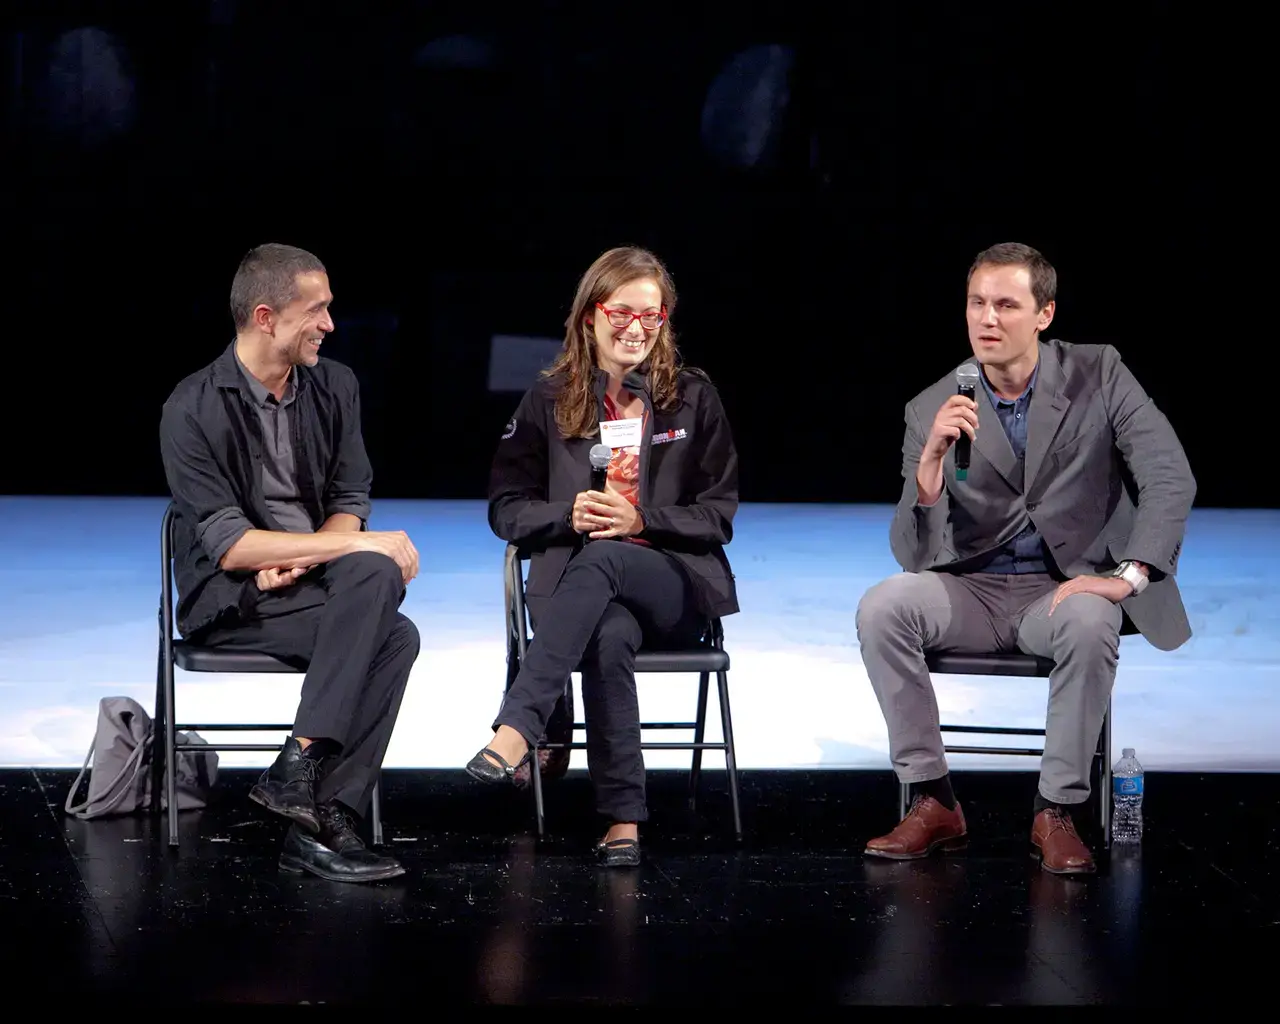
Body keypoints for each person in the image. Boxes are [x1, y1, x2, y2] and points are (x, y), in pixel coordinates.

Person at [855, 242, 1195, 875]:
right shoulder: (932, 406)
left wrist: (1131, 574)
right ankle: (933, 800)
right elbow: (912, 553)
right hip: (973, 591)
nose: (987, 319)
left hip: (1061, 589)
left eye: (1006, 305)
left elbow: (1170, 476)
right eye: (976, 303)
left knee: (1093, 618)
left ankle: (1055, 810)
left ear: (1044, 314)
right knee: (883, 608)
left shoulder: (1099, 373)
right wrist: (929, 468)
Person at [159, 243, 422, 883]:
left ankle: (299, 772)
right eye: (317, 311)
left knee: (375, 574)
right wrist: (341, 547)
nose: (330, 325)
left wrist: (314, 554)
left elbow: (348, 500)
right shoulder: (190, 409)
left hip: (310, 586)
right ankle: (326, 820)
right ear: (266, 316)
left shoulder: (336, 385)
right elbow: (231, 545)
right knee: (393, 632)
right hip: (232, 600)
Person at [469, 245, 740, 867]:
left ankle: (519, 726)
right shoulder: (548, 399)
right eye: (623, 312)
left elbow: (717, 514)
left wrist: (642, 520)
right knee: (607, 629)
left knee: (608, 559)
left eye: (652, 316)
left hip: (671, 583)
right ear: (590, 315)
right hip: (578, 595)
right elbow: (505, 507)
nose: (637, 329)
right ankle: (624, 820)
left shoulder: (693, 399)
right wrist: (567, 515)